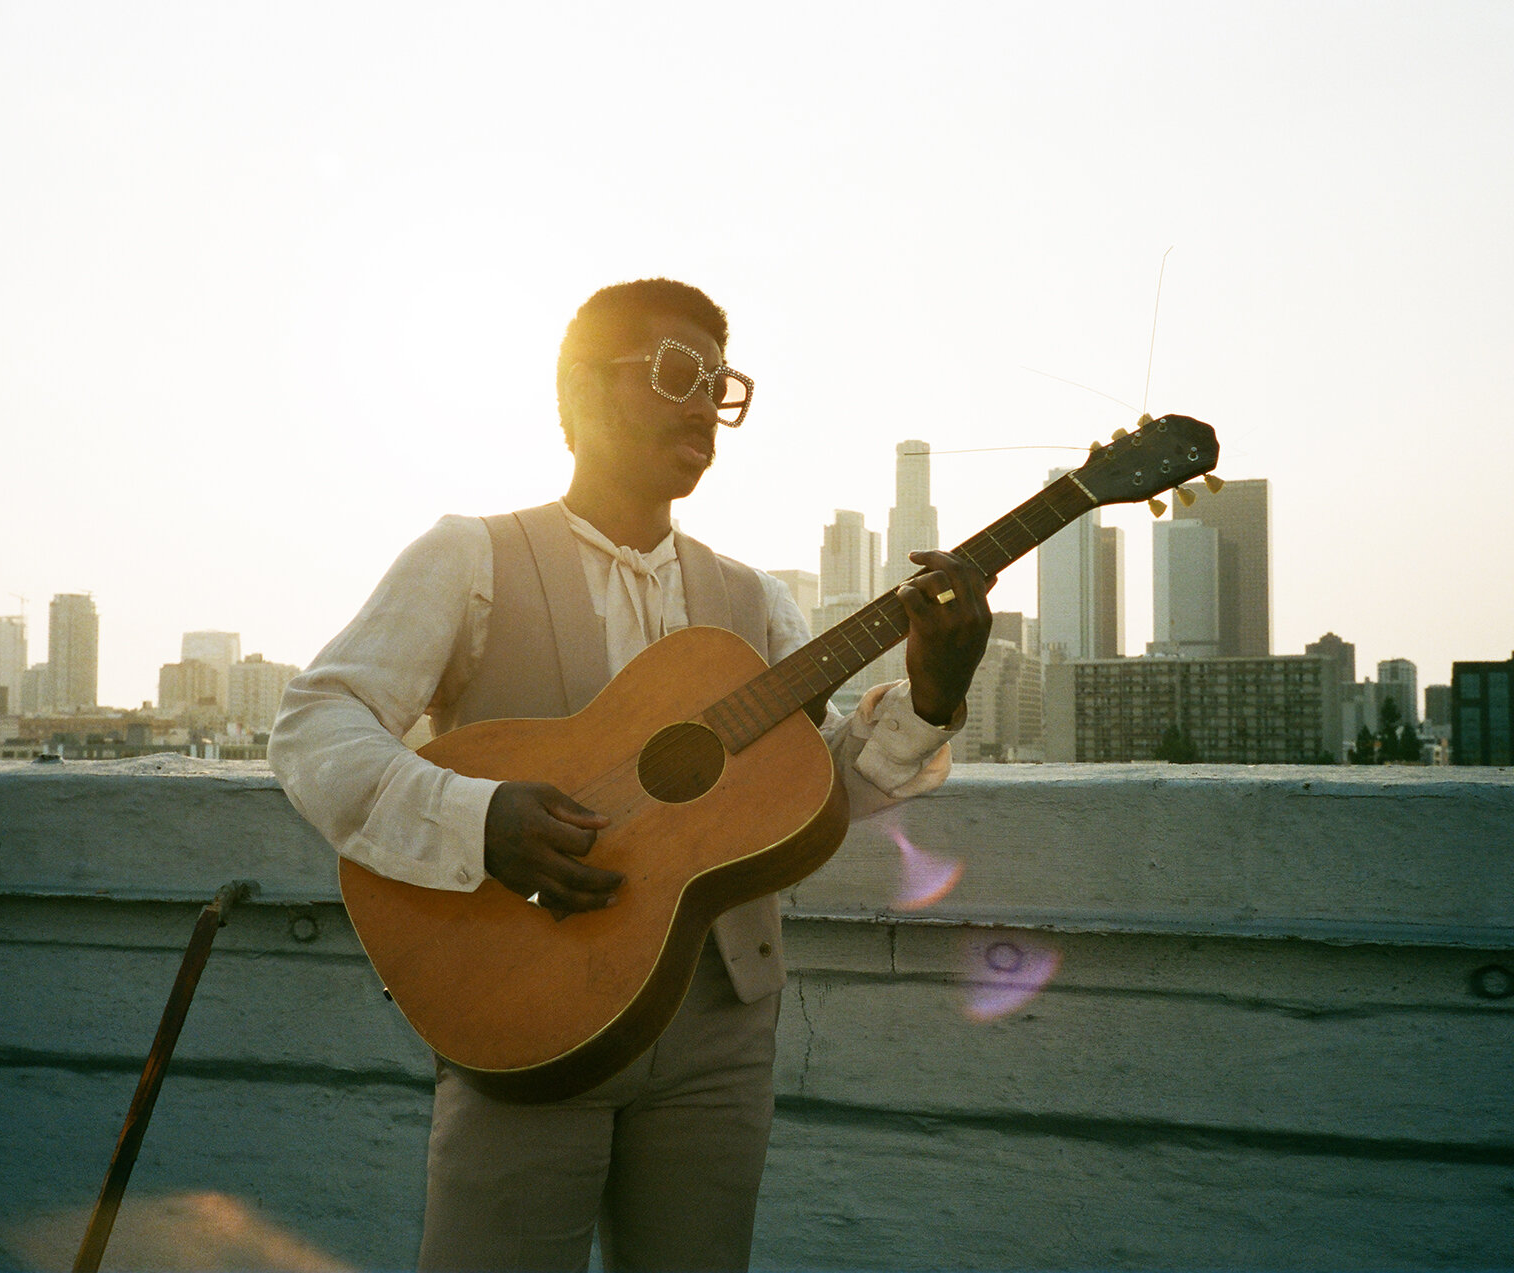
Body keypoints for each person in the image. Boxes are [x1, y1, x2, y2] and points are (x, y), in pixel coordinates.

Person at [268, 278, 992, 1271]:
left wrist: (933, 691)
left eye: (720, 385)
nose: (704, 404)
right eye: (675, 373)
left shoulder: (752, 598)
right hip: (530, 999)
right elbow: (320, 723)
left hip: (721, 1028)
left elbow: (821, 796)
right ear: (578, 389)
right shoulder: (470, 556)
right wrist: (478, 818)